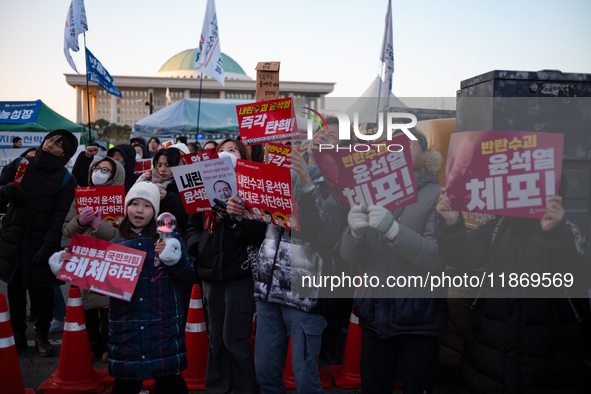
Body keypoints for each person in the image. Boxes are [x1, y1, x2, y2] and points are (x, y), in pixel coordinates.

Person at [436, 182, 590, 393]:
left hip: (548, 367)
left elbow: (578, 275)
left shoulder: (565, 230)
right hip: (491, 363)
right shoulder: (496, 228)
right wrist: (452, 224)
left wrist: (554, 235)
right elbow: (463, 256)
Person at [50, 182, 194, 394]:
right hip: (126, 327)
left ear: (155, 210)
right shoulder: (116, 241)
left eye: (146, 205)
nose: (139, 210)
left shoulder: (169, 239)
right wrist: (71, 264)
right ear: (126, 207)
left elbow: (188, 277)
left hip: (162, 325)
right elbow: (100, 286)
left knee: (170, 383)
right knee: (125, 384)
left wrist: (175, 260)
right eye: (134, 203)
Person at [340, 128, 447, 394]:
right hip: (374, 313)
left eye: (405, 143)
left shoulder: (437, 194)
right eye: (390, 144)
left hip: (418, 315)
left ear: (423, 152)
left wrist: (395, 231)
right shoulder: (368, 192)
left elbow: (437, 257)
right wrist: (354, 233)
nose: (396, 149)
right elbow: (348, 256)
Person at [252, 122, 348, 394]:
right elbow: (262, 218)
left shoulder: (341, 183)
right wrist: (242, 207)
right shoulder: (283, 170)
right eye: (320, 132)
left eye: (331, 137)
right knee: (265, 373)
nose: (322, 138)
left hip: (304, 293)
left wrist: (306, 184)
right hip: (268, 288)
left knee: (305, 378)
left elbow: (327, 233)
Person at [186, 139, 265, 394]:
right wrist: (198, 248)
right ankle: (218, 387)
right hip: (210, 275)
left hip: (239, 274)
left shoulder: (253, 190)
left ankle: (244, 388)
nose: (224, 154)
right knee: (216, 338)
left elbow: (261, 233)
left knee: (236, 338)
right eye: (221, 150)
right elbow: (192, 228)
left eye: (232, 150)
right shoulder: (202, 189)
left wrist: (239, 218)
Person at [0, 129, 78, 356]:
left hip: (41, 242)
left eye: (57, 144)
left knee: (42, 293)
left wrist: (48, 246)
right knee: (14, 292)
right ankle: (17, 334)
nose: (49, 144)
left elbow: (58, 217)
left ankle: (42, 335)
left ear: (66, 153)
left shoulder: (66, 179)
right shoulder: (20, 164)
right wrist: (6, 191)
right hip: (13, 240)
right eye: (50, 139)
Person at [62, 156, 125, 362]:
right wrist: (79, 221)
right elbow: (66, 229)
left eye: (106, 170)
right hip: (83, 256)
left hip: (109, 257)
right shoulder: (80, 197)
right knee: (86, 304)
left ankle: (109, 346)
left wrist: (100, 225)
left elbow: (121, 235)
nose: (99, 172)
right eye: (97, 168)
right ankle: (93, 345)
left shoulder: (122, 199)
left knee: (108, 307)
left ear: (116, 175)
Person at [135, 148, 188, 235]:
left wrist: (168, 197)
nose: (162, 169)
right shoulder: (149, 180)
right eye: (159, 165)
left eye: (167, 166)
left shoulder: (184, 184)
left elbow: (186, 216)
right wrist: (142, 180)